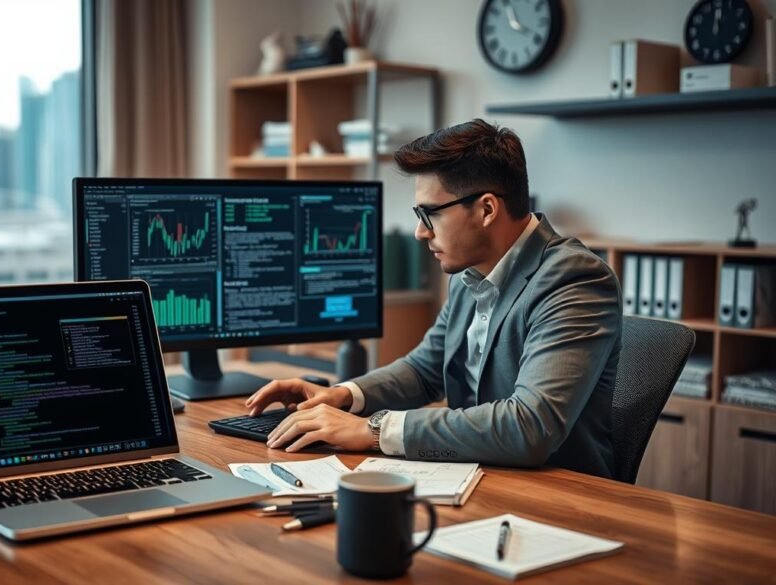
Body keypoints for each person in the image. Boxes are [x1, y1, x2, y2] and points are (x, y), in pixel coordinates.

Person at [245, 119, 621, 479]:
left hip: (560, 497)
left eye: (429, 214)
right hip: (477, 475)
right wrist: (343, 395)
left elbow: (530, 425)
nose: (419, 232)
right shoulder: (471, 272)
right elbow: (424, 369)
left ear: (487, 209)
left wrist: (374, 430)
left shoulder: (574, 280)